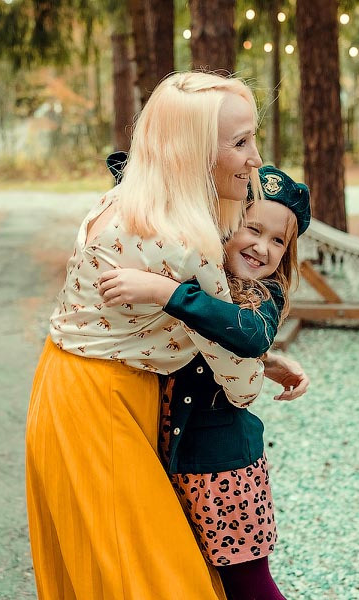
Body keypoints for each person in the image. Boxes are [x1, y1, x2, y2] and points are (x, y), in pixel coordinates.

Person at [26, 71, 279, 600]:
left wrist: (269, 360)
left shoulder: (125, 200)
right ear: (193, 153)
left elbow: (172, 330)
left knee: (113, 567)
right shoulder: (187, 238)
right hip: (101, 407)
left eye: (252, 136)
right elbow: (238, 380)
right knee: (154, 576)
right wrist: (259, 364)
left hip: (71, 388)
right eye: (240, 142)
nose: (256, 156)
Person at [96, 165, 311, 600]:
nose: (262, 247)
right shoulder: (199, 272)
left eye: (277, 241)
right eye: (253, 228)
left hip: (224, 473)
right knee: (187, 578)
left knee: (248, 587)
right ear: (223, 224)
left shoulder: (260, 296)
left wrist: (163, 292)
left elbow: (247, 334)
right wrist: (268, 366)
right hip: (171, 459)